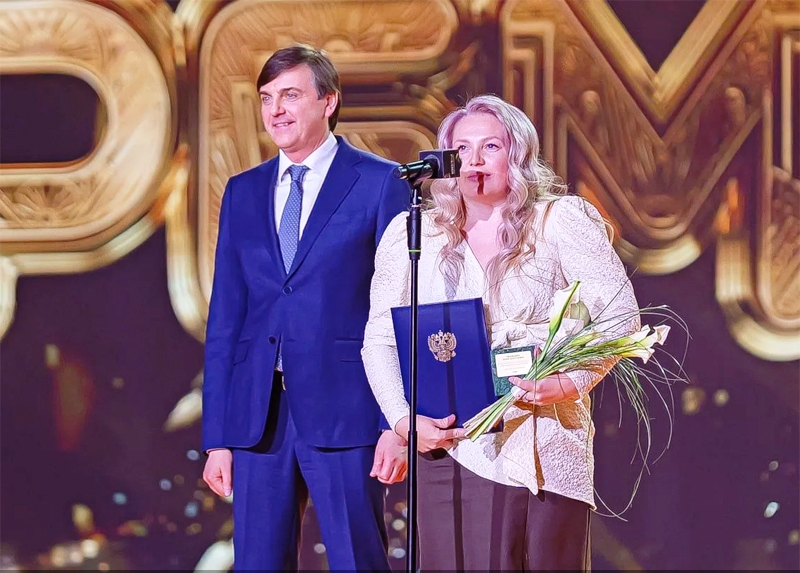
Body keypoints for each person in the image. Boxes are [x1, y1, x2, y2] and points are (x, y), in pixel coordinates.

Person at [362, 94, 640, 571]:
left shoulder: (559, 220)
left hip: (540, 441)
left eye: (490, 146)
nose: (474, 160)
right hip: (449, 446)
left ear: (518, 154)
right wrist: (403, 420)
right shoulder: (414, 233)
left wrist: (570, 381)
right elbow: (381, 340)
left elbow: (621, 318)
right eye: (461, 148)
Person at [201, 44, 410, 571]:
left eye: (290, 95)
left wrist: (395, 423)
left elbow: (401, 310)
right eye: (266, 98)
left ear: (328, 101)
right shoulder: (243, 191)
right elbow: (226, 320)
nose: (276, 110)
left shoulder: (381, 182)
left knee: (358, 561)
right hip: (258, 420)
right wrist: (218, 438)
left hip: (349, 411)